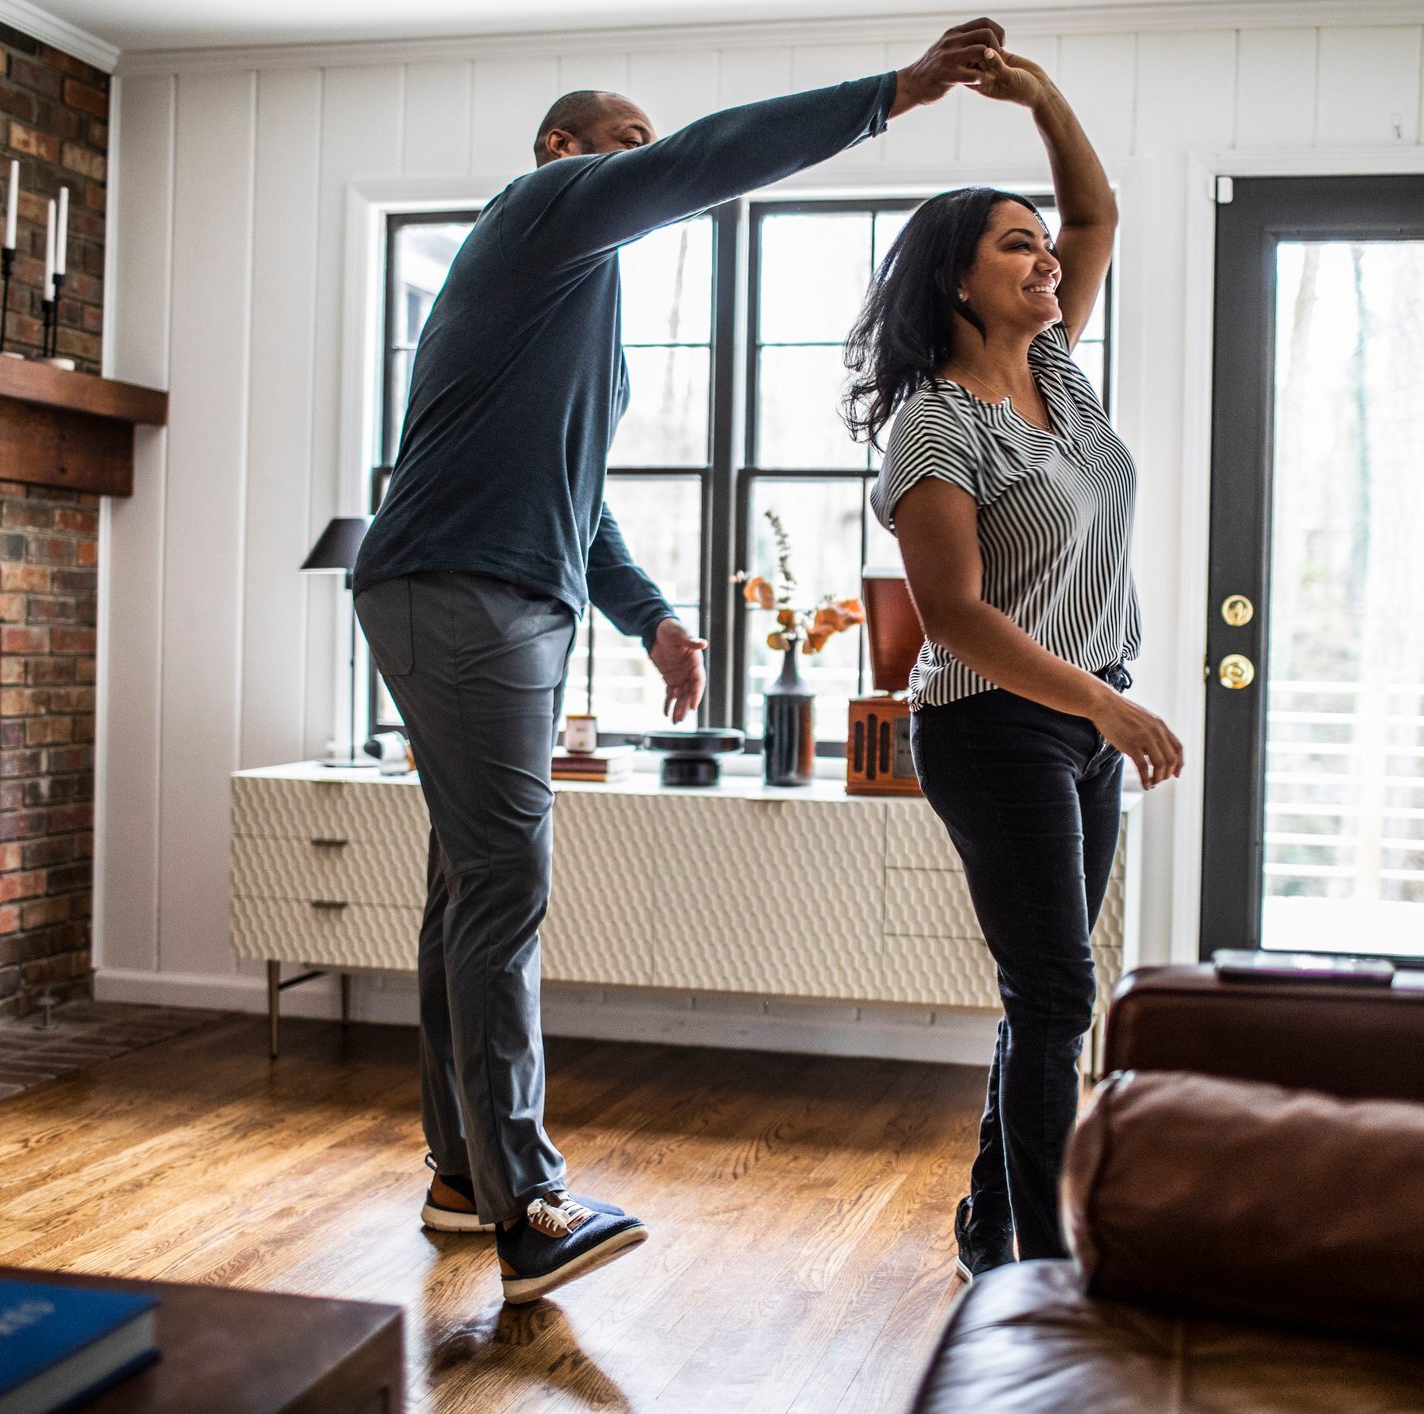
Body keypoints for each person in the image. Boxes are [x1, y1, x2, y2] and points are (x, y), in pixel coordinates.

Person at [350, 17, 1018, 1306]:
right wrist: (896, 91)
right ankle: (528, 1203)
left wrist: (650, 616)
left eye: (644, 144)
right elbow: (712, 155)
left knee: (466, 892)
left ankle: (463, 1174)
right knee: (503, 887)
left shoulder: (574, 301)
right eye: (625, 141)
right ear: (562, 150)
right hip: (463, 591)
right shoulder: (539, 214)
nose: (645, 158)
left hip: (492, 594)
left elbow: (572, 493)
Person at [850, 50, 1183, 1282]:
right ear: (958, 281)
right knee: (1056, 994)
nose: (1047, 260)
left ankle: (994, 1233)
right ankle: (1047, 1269)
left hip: (1080, 719)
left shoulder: (1056, 373)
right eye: (1014, 246)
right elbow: (954, 617)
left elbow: (1096, 218)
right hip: (994, 727)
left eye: (1043, 247)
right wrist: (1107, 707)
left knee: (1045, 995)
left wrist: (1040, 99)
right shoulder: (934, 424)